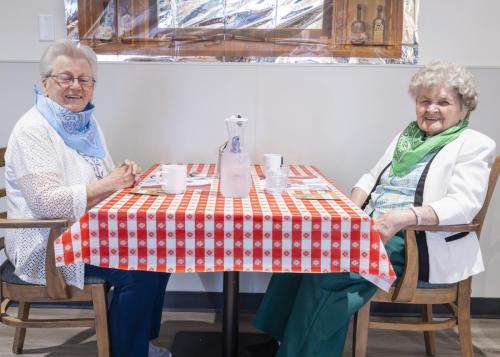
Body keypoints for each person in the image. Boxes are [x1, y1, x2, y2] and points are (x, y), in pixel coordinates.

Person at [244, 61, 497, 357]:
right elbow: (371, 176)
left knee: (330, 272)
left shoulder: (474, 144)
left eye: (443, 102)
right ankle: (281, 341)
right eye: (424, 101)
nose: (431, 109)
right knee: (304, 249)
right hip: (373, 226)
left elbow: (464, 204)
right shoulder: (409, 137)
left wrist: (404, 217)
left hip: (416, 241)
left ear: (464, 107)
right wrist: (351, 209)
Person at [5, 40, 170, 357]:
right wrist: (110, 183)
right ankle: (129, 352)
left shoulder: (85, 123)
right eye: (65, 78)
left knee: (160, 249)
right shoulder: (33, 130)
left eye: (84, 80)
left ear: (93, 86)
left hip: (86, 232)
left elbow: (100, 178)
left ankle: (138, 343)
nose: (75, 87)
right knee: (142, 268)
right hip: (47, 244)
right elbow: (45, 204)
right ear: (45, 83)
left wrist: (121, 174)